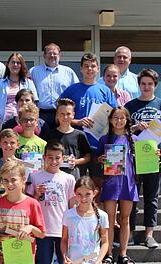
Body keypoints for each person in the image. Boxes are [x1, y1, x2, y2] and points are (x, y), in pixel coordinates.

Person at [60, 52, 117, 176]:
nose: (89, 69)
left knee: (100, 184)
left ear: (97, 69)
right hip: (77, 145)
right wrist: (77, 122)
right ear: (81, 69)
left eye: (92, 66)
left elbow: (115, 117)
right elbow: (58, 116)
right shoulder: (71, 90)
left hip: (100, 144)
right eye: (86, 66)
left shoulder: (105, 91)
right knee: (75, 184)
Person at [96, 107, 139, 263]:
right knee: (110, 219)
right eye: (116, 117)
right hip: (111, 183)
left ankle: (123, 254)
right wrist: (100, 159)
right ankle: (108, 254)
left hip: (128, 182)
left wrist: (155, 155)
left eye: (122, 118)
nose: (119, 120)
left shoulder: (134, 139)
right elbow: (97, 159)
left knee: (125, 219)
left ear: (127, 120)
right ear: (110, 119)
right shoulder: (104, 139)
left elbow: (143, 159)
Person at [125, 68, 161, 248]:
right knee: (132, 197)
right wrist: (135, 127)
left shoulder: (160, 105)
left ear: (155, 85)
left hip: (154, 158)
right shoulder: (130, 106)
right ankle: (129, 233)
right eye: (143, 84)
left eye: (150, 84)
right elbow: (121, 130)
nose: (146, 87)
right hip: (134, 158)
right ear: (139, 85)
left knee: (151, 197)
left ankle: (149, 234)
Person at [0, 160, 46, 263]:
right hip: (2, 258)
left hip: (24, 258)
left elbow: (42, 234)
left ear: (23, 179)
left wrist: (30, 228)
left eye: (13, 180)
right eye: (5, 180)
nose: (9, 184)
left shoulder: (32, 204)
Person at [26, 141, 76, 264]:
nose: (54, 161)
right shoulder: (35, 176)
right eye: (50, 157)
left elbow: (72, 203)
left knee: (64, 261)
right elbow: (30, 204)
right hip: (42, 229)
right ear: (44, 158)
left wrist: (72, 226)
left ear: (63, 158)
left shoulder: (69, 178)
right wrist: (37, 194)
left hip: (63, 228)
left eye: (57, 158)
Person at [30, 43, 79, 129]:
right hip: (41, 114)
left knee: (61, 141)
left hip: (62, 115)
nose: (52, 56)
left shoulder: (68, 72)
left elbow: (76, 93)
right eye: (49, 53)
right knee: (42, 140)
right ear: (44, 55)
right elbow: (28, 93)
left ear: (59, 55)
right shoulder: (34, 71)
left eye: (55, 53)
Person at [61, 176, 109, 264]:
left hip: (93, 260)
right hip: (74, 261)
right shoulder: (68, 215)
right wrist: (65, 256)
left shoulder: (102, 216)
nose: (83, 198)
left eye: (87, 194)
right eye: (79, 194)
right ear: (75, 193)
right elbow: (64, 239)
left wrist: (99, 260)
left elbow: (105, 242)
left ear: (94, 193)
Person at [46, 98, 91, 179]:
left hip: (74, 176)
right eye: (62, 114)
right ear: (57, 115)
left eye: (68, 114)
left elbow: (88, 156)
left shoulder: (80, 135)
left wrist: (76, 161)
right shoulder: (50, 135)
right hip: (54, 176)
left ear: (73, 115)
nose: (65, 117)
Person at [0, 52, 38, 125]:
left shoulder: (28, 83)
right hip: (4, 122)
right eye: (13, 62)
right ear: (8, 65)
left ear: (21, 65)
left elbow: (34, 104)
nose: (15, 65)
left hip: (23, 122)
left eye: (18, 63)